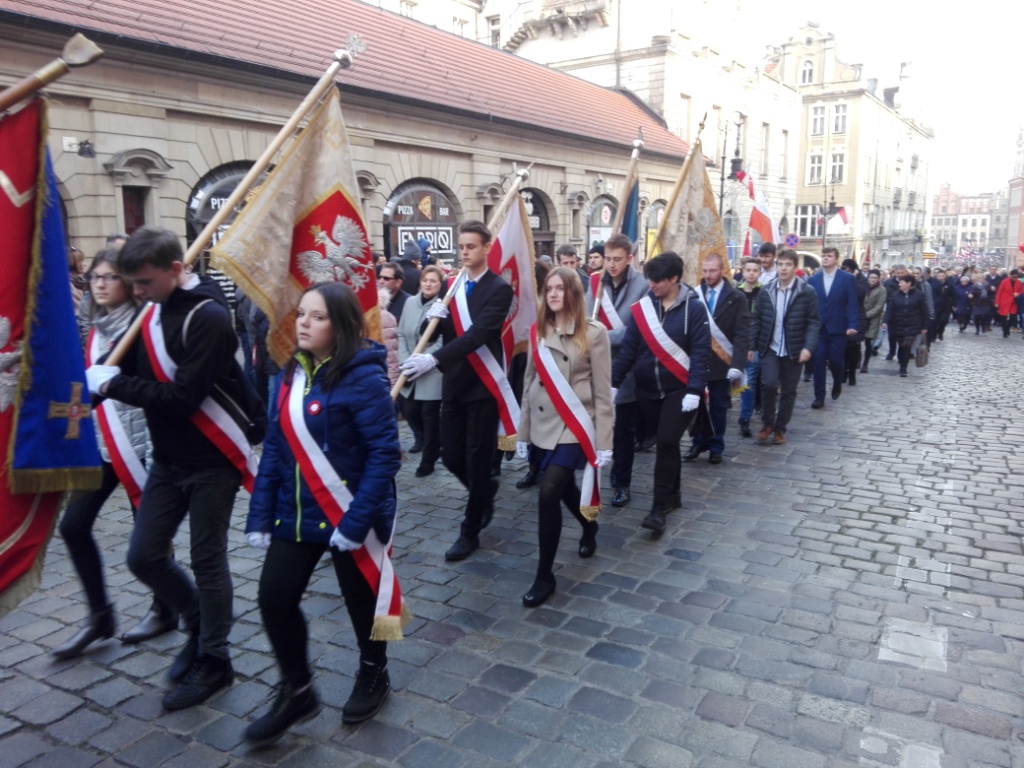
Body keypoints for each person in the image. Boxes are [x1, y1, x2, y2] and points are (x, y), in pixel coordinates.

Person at [86, 226, 265, 711]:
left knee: (208, 561)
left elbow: (185, 397)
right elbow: (134, 369)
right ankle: (196, 623)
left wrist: (112, 386)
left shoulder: (208, 318)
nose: (136, 292)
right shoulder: (149, 309)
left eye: (144, 283)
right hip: (167, 459)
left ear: (175, 270)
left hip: (212, 458)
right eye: (132, 283)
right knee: (143, 556)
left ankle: (215, 659)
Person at [244, 283, 404, 744]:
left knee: (360, 603)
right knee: (274, 598)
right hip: (298, 512)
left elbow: (384, 456)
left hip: (352, 512)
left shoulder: (364, 377)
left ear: (342, 325)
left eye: (317, 317)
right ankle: (297, 689)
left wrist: (355, 523)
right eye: (301, 315)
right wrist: (259, 515)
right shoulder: (291, 372)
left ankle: (374, 670)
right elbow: (275, 447)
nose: (304, 323)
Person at [53, 250, 175, 660]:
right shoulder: (96, 329)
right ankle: (99, 614)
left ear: (128, 281)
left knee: (149, 540)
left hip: (144, 445)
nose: (100, 284)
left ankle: (166, 608)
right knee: (73, 526)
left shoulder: (146, 325)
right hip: (106, 443)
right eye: (94, 278)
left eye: (110, 277)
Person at [400, 221, 514, 561]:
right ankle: (484, 492)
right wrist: (431, 315)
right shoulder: (452, 285)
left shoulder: (498, 288)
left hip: (482, 386)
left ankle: (470, 530)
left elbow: (477, 335)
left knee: (477, 459)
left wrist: (433, 361)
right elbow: (433, 330)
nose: (465, 252)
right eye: (461, 246)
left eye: (471, 246)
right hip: (453, 384)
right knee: (450, 456)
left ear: (485, 249)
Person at [517, 268, 613, 607]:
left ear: (573, 292)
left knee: (549, 490)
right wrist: (522, 432)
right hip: (544, 425)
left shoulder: (593, 334)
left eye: (560, 288)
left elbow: (603, 393)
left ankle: (545, 575)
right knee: (565, 488)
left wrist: (604, 442)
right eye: (549, 288)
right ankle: (589, 525)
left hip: (576, 423)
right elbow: (529, 384)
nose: (553, 294)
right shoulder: (537, 332)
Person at [611, 251, 710, 534]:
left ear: (674, 278)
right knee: (667, 445)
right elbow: (629, 348)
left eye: (658, 281)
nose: (651, 285)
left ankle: (658, 507)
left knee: (667, 441)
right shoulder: (643, 308)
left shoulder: (695, 309)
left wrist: (695, 388)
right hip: (647, 390)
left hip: (679, 389)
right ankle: (674, 494)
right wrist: (615, 382)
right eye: (650, 279)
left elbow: (701, 352)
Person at [585, 233, 647, 507]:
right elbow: (587, 320)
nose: (611, 265)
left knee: (623, 430)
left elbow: (632, 331)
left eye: (617, 260)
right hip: (597, 364)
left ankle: (621, 483)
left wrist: (599, 336)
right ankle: (592, 472)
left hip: (627, 367)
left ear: (629, 259)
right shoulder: (595, 282)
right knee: (595, 423)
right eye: (608, 259)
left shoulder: (643, 286)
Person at [748, 249, 819, 445]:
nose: (784, 268)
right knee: (768, 384)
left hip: (794, 349)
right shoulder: (767, 290)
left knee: (788, 391)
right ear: (776, 266)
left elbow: (813, 322)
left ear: (795, 268)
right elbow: (757, 319)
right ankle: (768, 423)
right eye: (780, 264)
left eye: (788, 265)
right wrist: (751, 346)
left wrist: (808, 347)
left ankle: (780, 429)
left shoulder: (806, 291)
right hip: (770, 347)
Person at [684, 253, 749, 464]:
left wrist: (737, 364)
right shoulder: (693, 295)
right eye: (704, 271)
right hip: (698, 360)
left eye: (712, 271)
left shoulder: (736, 297)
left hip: (723, 361)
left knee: (719, 407)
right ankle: (698, 441)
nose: (708, 275)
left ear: (722, 270)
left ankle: (716, 445)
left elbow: (742, 333)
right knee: (696, 406)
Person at [398, 265, 445, 476]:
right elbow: (401, 333)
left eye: (433, 281)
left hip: (432, 371)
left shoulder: (443, 306)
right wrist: (406, 359)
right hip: (409, 368)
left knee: (429, 414)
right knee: (410, 411)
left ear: (440, 284)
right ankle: (434, 444)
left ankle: (428, 459)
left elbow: (445, 339)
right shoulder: (410, 302)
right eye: (426, 280)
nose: (428, 284)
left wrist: (428, 359)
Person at [807, 247, 860, 409]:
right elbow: (809, 305)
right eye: (823, 256)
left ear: (836, 259)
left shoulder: (847, 279)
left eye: (829, 256)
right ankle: (819, 396)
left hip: (839, 327)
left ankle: (838, 381)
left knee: (836, 361)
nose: (825, 258)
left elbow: (852, 303)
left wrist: (853, 325)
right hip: (820, 328)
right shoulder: (813, 280)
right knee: (818, 361)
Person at [735, 257, 763, 437]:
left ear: (759, 273)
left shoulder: (764, 292)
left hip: (758, 343)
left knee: (750, 380)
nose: (751, 273)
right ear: (743, 272)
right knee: (740, 380)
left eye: (755, 270)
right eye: (748, 270)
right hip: (738, 341)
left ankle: (745, 416)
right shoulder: (735, 293)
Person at [882, 274, 928, 377]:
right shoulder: (895, 295)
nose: (899, 284)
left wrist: (924, 326)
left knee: (907, 346)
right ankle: (902, 361)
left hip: (913, 324)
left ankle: (903, 368)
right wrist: (885, 321)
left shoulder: (919, 295)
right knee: (901, 346)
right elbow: (889, 309)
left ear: (909, 284)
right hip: (898, 324)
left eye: (902, 282)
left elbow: (924, 311)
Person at [860, 269, 886, 375]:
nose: (873, 280)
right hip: (860, 318)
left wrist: (866, 315)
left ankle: (865, 363)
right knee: (856, 341)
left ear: (878, 278)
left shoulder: (882, 290)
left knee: (868, 342)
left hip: (873, 319)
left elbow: (879, 306)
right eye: (871, 277)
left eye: (875, 278)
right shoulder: (862, 287)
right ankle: (856, 360)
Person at [995, 270, 1023, 338]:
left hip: (1013, 302)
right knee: (1003, 318)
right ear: (1010, 275)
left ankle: (1007, 328)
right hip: (1004, 301)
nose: (1014, 278)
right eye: (1013, 277)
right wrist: (997, 302)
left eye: (1016, 277)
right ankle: (1005, 331)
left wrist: (1018, 294)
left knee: (1013, 317)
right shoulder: (1004, 282)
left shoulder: (1019, 282)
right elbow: (999, 292)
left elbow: (1021, 290)